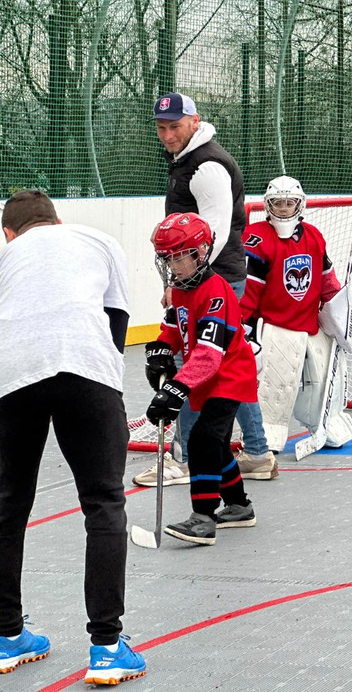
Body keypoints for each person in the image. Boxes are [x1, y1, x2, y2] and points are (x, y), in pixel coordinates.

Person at [0, 190, 146, 685]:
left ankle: (6, 638)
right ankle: (106, 647)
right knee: (103, 501)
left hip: (12, 378)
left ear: (9, 234)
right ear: (58, 220)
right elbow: (115, 324)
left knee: (8, 504)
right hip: (87, 370)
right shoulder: (98, 241)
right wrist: (96, 389)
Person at [132, 92, 275, 487]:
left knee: (193, 364)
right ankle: (259, 453)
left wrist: (181, 285)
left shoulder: (207, 166)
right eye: (161, 128)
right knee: (232, 366)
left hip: (213, 279)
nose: (167, 134)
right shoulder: (189, 159)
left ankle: (188, 459)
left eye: (174, 126)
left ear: (195, 121)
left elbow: (209, 234)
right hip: (214, 276)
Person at [143, 212, 260, 545]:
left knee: (202, 440)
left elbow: (210, 354)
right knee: (217, 445)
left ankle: (203, 517)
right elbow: (173, 328)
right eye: (166, 258)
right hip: (207, 377)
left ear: (199, 252)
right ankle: (239, 506)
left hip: (229, 376)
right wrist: (160, 351)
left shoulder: (217, 293)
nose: (171, 265)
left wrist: (176, 389)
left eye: (178, 257)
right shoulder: (181, 288)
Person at [240, 175, 352, 453]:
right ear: (268, 206)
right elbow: (249, 291)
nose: (283, 208)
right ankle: (266, 434)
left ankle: (328, 423)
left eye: (289, 202)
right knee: (274, 389)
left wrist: (344, 320)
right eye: (277, 203)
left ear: (300, 205)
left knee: (327, 380)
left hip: (310, 324)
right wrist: (242, 326)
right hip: (274, 328)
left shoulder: (315, 237)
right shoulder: (256, 237)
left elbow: (328, 282)